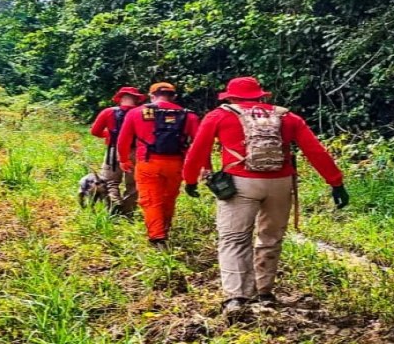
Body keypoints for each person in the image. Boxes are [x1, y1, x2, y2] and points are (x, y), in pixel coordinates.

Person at [182, 76, 348, 317]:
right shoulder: (287, 117)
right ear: (261, 95)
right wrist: (336, 182)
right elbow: (315, 151)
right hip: (280, 184)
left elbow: (198, 150)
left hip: (240, 183)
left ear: (230, 97)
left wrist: (189, 179)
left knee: (234, 239)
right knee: (270, 238)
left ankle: (237, 298)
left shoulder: (219, 115)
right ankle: (264, 293)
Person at [117, 82, 202, 248]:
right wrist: (202, 166)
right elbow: (198, 144)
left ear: (151, 96)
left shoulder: (136, 113)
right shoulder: (189, 116)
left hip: (148, 162)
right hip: (176, 164)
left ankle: (158, 237)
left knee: (150, 200)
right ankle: (165, 228)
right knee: (168, 198)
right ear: (174, 97)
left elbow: (123, 140)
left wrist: (123, 159)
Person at [90, 86, 146, 216]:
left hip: (113, 151)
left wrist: (108, 135)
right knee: (133, 184)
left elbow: (95, 131)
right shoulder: (142, 113)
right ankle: (128, 212)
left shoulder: (108, 112)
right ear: (137, 100)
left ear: (120, 99)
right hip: (136, 152)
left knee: (109, 181)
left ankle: (114, 204)